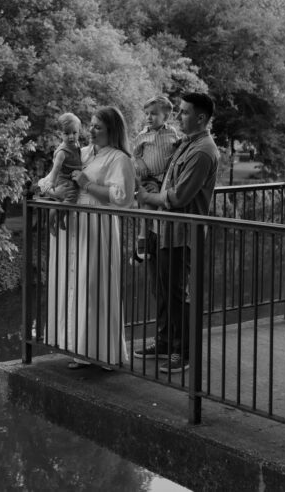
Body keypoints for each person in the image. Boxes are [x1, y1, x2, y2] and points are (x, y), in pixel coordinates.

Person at [134, 92, 219, 374]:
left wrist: (146, 197)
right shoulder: (185, 143)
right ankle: (164, 340)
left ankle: (182, 352)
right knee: (161, 290)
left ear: (201, 118)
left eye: (184, 112)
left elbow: (179, 196)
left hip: (181, 233)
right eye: (180, 111)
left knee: (176, 293)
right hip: (162, 227)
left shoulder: (203, 150)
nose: (179, 116)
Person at [46, 106, 135, 370]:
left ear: (112, 130)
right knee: (77, 284)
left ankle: (106, 354)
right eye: (91, 125)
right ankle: (80, 349)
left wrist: (86, 184)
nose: (91, 131)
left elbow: (123, 198)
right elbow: (61, 175)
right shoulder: (83, 153)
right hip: (76, 226)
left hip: (99, 226)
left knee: (97, 285)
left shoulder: (119, 159)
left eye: (98, 127)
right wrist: (51, 194)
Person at [133, 95, 182, 193]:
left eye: (153, 114)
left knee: (165, 201)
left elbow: (177, 145)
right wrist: (141, 163)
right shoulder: (142, 136)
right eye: (147, 114)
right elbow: (136, 153)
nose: (149, 117)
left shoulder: (171, 132)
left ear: (166, 117)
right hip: (149, 177)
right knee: (151, 198)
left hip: (166, 178)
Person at [37, 112, 83, 204]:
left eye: (74, 133)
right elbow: (56, 168)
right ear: (60, 134)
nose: (71, 137)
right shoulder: (62, 152)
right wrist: (52, 182)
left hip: (70, 178)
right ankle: (60, 214)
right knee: (72, 195)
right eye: (66, 133)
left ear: (79, 132)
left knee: (65, 198)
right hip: (63, 180)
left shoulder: (76, 145)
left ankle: (57, 213)